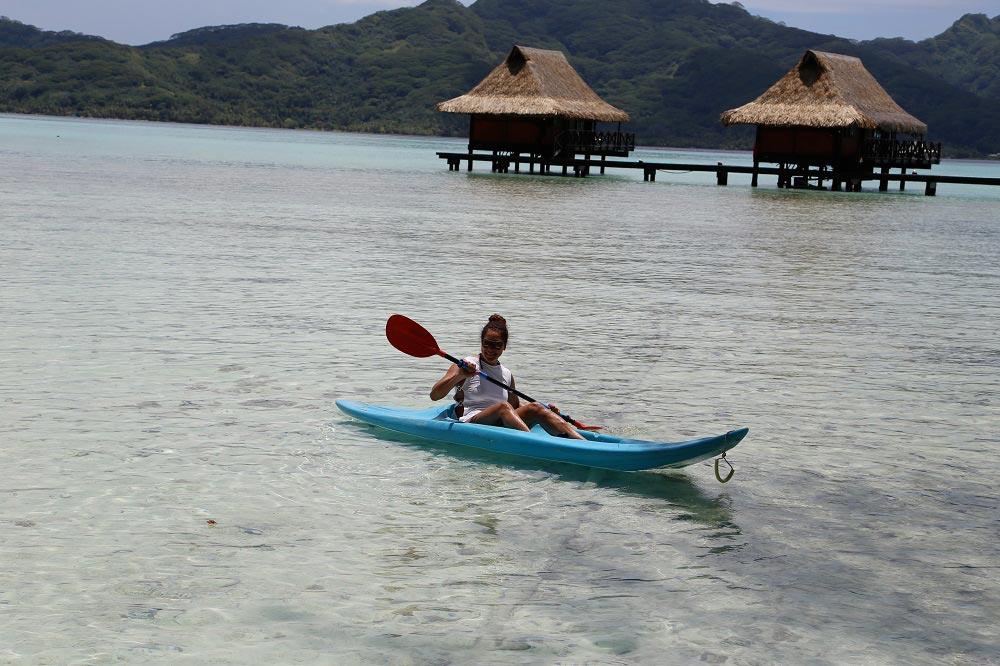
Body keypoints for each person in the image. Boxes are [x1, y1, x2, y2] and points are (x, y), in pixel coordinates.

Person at [430, 314, 586, 439]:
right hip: (473, 421)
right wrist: (459, 375)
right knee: (503, 407)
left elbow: (516, 406)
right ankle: (533, 444)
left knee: (537, 407)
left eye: (497, 345)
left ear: (504, 346)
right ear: (481, 342)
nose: (491, 349)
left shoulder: (506, 373)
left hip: (501, 422)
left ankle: (582, 444)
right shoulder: (466, 364)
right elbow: (435, 395)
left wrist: (548, 412)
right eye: (487, 343)